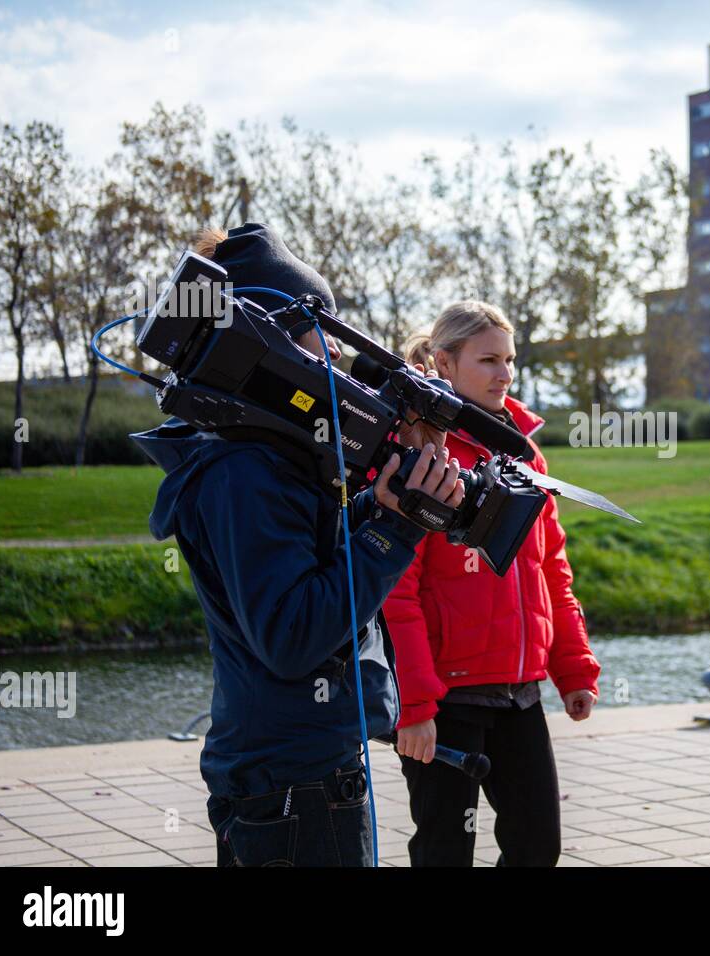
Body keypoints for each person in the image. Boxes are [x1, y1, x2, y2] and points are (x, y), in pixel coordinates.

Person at [132, 222, 464, 867]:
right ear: (271, 342)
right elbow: (293, 635)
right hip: (295, 787)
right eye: (323, 333)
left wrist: (387, 500)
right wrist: (393, 531)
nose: (335, 358)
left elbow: (312, 569)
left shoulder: (262, 459)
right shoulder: (244, 472)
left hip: (296, 771)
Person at [384, 300, 600, 867]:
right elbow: (396, 593)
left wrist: (572, 668)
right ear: (444, 363)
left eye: (509, 360)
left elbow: (551, 567)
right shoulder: (418, 450)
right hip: (448, 700)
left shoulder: (527, 452)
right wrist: (416, 706)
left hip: (520, 691)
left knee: (537, 849)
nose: (504, 374)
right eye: (488, 360)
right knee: (444, 854)